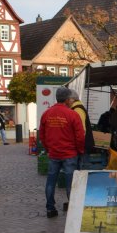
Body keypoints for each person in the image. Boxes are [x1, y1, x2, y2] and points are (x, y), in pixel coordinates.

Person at [39, 87, 85, 218]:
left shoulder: (47, 113)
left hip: (54, 154)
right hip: (70, 154)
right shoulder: (72, 114)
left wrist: (48, 149)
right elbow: (80, 136)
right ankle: (73, 208)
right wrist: (80, 151)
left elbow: (42, 135)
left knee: (51, 182)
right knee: (71, 183)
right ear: (67, 99)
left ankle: (50, 208)